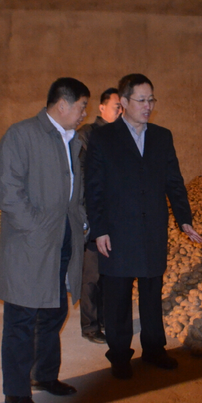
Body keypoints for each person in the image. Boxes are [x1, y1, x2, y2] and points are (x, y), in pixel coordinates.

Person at [84, 73, 202, 380]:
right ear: (124, 102)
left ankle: (153, 349)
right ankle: (119, 355)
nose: (148, 106)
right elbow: (94, 188)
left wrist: (184, 218)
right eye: (142, 100)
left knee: (152, 294)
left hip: (152, 230)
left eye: (151, 100)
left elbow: (174, 182)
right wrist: (99, 229)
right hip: (116, 231)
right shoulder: (103, 138)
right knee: (118, 298)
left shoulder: (162, 137)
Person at [0, 78, 90, 403]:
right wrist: (37, 228)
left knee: (53, 312)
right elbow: (6, 191)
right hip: (29, 246)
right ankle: (16, 392)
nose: (84, 114)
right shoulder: (21, 135)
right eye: (82, 107)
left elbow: (76, 192)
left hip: (63, 241)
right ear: (62, 104)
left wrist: (81, 222)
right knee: (21, 319)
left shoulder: (73, 140)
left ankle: (45, 375)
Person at [77, 87, 121, 344]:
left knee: (108, 274)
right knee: (91, 275)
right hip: (94, 216)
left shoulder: (122, 135)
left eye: (122, 107)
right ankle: (90, 326)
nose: (120, 111)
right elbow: (83, 180)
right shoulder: (87, 135)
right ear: (102, 108)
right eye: (116, 107)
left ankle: (104, 319)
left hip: (114, 218)